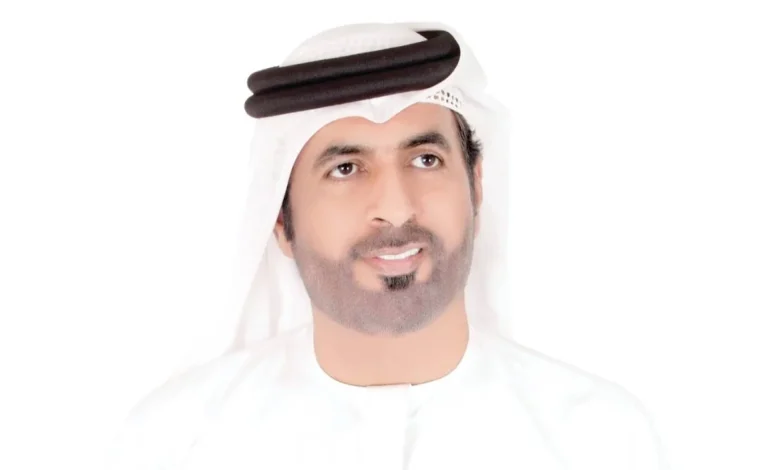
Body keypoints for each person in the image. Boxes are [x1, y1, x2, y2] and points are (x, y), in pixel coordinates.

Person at [105, 21, 669, 470]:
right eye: (346, 168)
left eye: (425, 159)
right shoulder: (175, 442)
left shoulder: (600, 440)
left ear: (475, 187)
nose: (396, 208)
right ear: (280, 219)